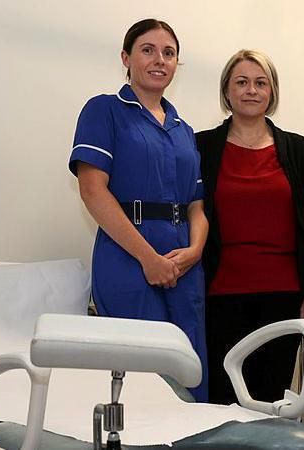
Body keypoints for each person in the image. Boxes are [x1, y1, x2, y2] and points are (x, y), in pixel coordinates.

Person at [68, 19, 209, 401]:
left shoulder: (184, 130)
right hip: (128, 259)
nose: (159, 60)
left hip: (184, 263)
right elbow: (93, 192)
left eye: (169, 53)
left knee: (191, 370)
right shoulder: (104, 111)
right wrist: (148, 258)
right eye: (147, 50)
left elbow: (196, 205)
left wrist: (195, 251)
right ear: (126, 58)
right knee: (145, 377)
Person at [195, 49, 304, 405]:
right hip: (219, 297)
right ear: (227, 92)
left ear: (272, 92)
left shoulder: (298, 150)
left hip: (283, 297)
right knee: (222, 403)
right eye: (241, 82)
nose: (251, 90)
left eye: (260, 82)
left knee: (270, 403)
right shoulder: (201, 147)